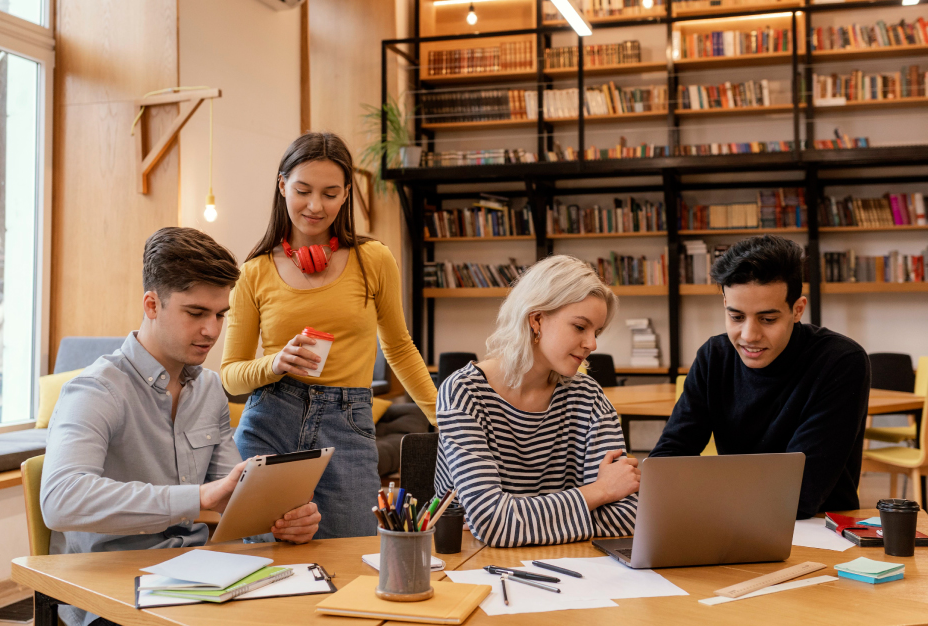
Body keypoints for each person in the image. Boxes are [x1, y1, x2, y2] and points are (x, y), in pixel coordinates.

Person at [41, 227, 321, 626]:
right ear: (152, 304)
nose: (212, 330)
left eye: (221, 314)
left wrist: (282, 520)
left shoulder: (208, 389)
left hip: (198, 577)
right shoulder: (96, 389)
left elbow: (231, 497)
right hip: (114, 589)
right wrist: (199, 497)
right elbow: (60, 501)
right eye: (196, 313)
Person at [222, 131, 437, 539]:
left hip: (348, 424)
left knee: (351, 556)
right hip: (270, 420)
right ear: (283, 185)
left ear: (345, 196)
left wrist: (446, 419)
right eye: (303, 190)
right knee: (264, 562)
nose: (315, 206)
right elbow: (230, 374)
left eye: (330, 193)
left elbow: (400, 348)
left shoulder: (373, 259)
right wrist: (276, 363)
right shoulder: (254, 273)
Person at [650, 235, 870, 518]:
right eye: (736, 317)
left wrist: (694, 486)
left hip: (817, 530)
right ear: (725, 304)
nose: (749, 336)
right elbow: (667, 461)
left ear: (797, 309)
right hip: (732, 521)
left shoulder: (840, 361)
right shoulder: (714, 356)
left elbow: (799, 494)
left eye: (768, 319)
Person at [434, 255, 639, 547]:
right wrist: (600, 492)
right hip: (475, 568)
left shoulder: (588, 396)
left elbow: (629, 515)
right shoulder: (464, 392)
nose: (593, 344)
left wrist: (515, 520)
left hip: (571, 571)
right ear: (537, 319)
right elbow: (494, 522)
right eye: (580, 327)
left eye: (597, 331)